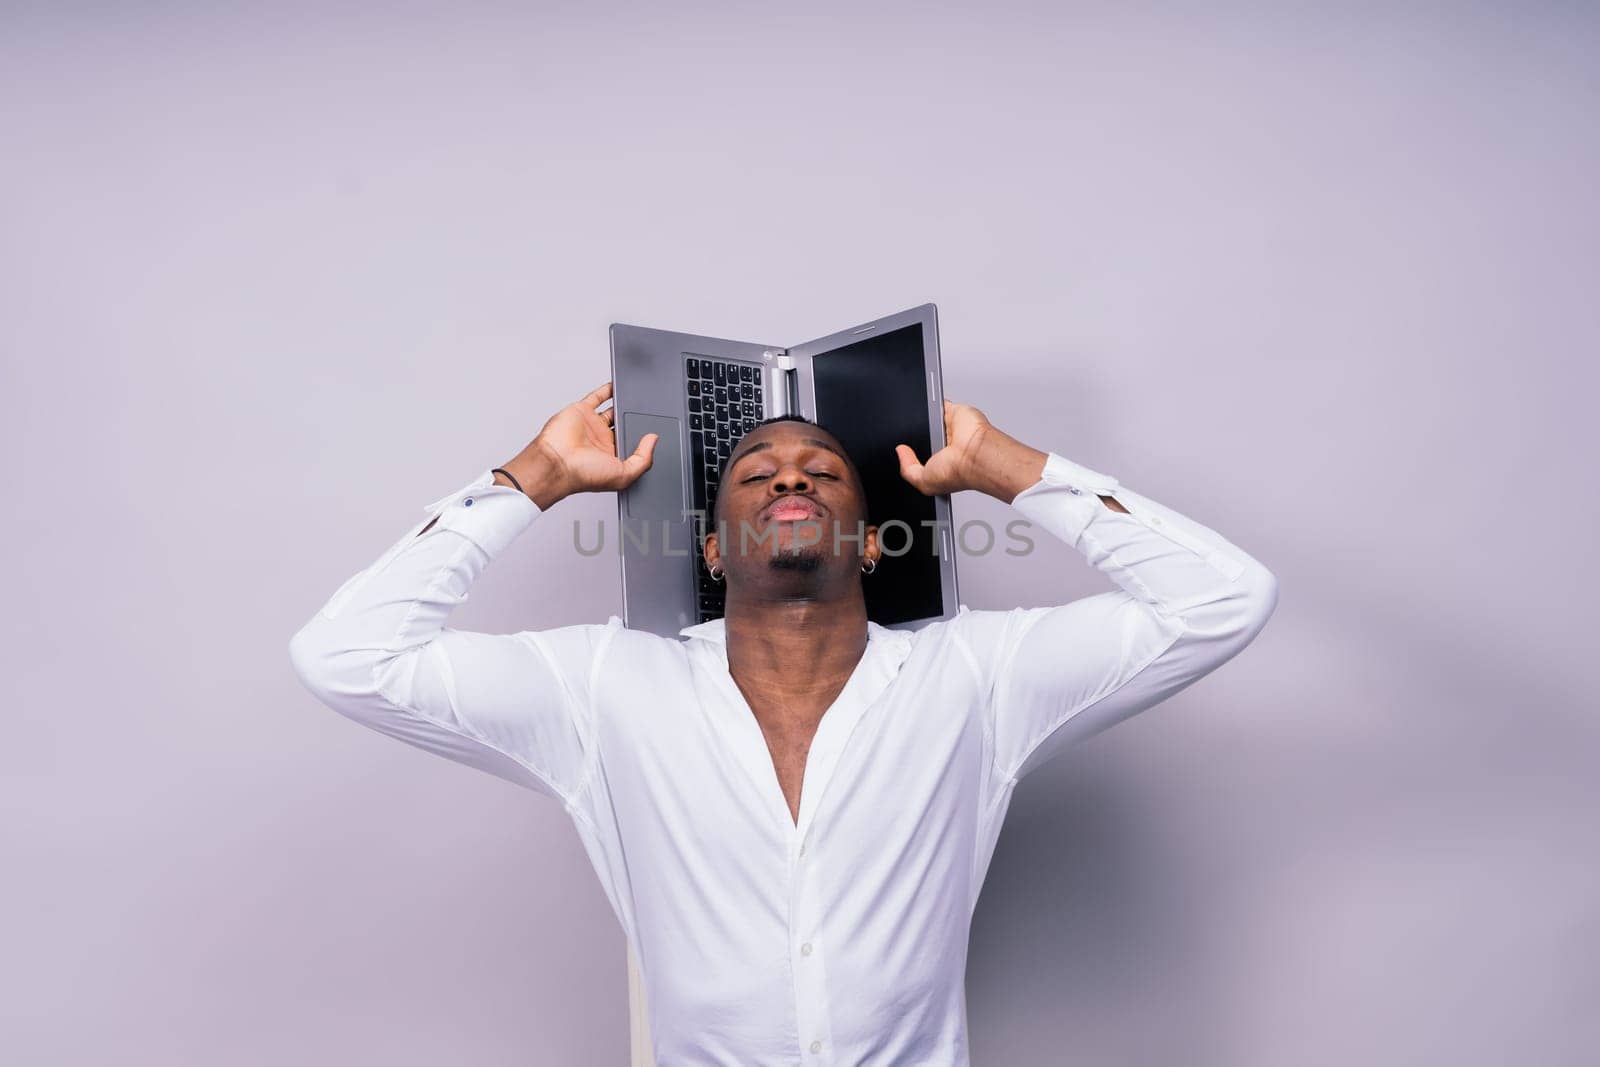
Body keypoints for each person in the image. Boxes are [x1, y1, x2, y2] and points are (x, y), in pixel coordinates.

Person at [288, 380, 1278, 1065]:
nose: (791, 477)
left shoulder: (978, 673)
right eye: (757, 472)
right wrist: (533, 474)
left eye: (822, 471)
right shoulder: (602, 685)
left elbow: (1223, 598)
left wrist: (1001, 463)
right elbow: (347, 655)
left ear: (874, 541)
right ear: (713, 549)